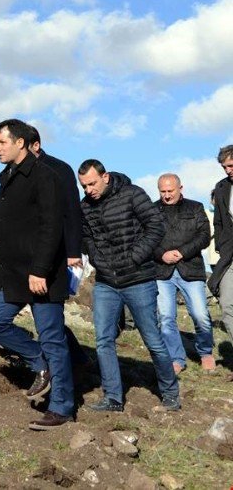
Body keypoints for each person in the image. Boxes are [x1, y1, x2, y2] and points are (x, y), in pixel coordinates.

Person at [0, 119, 74, 431]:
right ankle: (39, 361)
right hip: (10, 271)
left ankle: (61, 407)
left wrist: (40, 270)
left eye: (1, 143)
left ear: (20, 142)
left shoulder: (45, 176)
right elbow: (6, 221)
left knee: (53, 338)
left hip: (41, 275)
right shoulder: (6, 176)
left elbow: (52, 226)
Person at [78, 160, 179, 412]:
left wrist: (135, 257)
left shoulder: (133, 194)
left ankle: (170, 394)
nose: (88, 189)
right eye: (84, 186)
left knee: (152, 340)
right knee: (103, 340)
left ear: (106, 177)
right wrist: (97, 259)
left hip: (139, 280)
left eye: (92, 183)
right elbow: (86, 238)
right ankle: (113, 397)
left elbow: (156, 227)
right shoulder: (85, 207)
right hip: (106, 283)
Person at [23, 125, 92, 367]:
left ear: (35, 145)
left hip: (59, 251)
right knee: (45, 315)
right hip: (30, 251)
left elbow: (71, 211)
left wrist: (73, 251)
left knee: (50, 311)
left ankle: (71, 361)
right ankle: (72, 357)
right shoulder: (18, 172)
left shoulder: (59, 169)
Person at [153, 173, 214, 373]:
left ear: (181, 188)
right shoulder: (151, 211)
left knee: (200, 314)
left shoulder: (195, 207)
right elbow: (145, 239)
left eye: (170, 191)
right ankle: (176, 358)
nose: (167, 195)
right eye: (163, 191)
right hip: (162, 271)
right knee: (166, 317)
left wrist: (182, 252)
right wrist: (162, 255)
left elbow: (204, 235)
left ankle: (205, 352)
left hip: (191, 268)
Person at [208, 144, 233, 370]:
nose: (228, 170)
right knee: (227, 306)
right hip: (230, 256)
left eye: (231, 166)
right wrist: (222, 245)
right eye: (225, 167)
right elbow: (219, 221)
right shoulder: (222, 187)